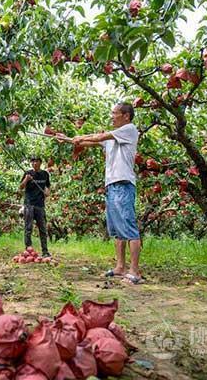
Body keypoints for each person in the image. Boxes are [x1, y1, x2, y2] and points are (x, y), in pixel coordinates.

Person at [58, 103, 143, 284]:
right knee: (117, 230)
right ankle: (120, 267)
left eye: (115, 113)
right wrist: (67, 139)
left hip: (123, 184)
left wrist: (80, 136)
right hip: (111, 185)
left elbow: (100, 136)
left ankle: (135, 271)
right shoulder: (113, 137)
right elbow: (91, 142)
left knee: (129, 227)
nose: (111, 116)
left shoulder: (129, 129)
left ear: (126, 116)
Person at [19, 157, 51, 257]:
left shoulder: (45, 174)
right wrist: (26, 179)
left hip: (40, 205)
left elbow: (48, 186)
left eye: (36, 161)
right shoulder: (28, 173)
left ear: (40, 163)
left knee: (43, 229)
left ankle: (45, 251)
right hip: (29, 204)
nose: (34, 163)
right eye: (32, 162)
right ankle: (28, 251)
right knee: (28, 228)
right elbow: (21, 187)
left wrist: (47, 192)